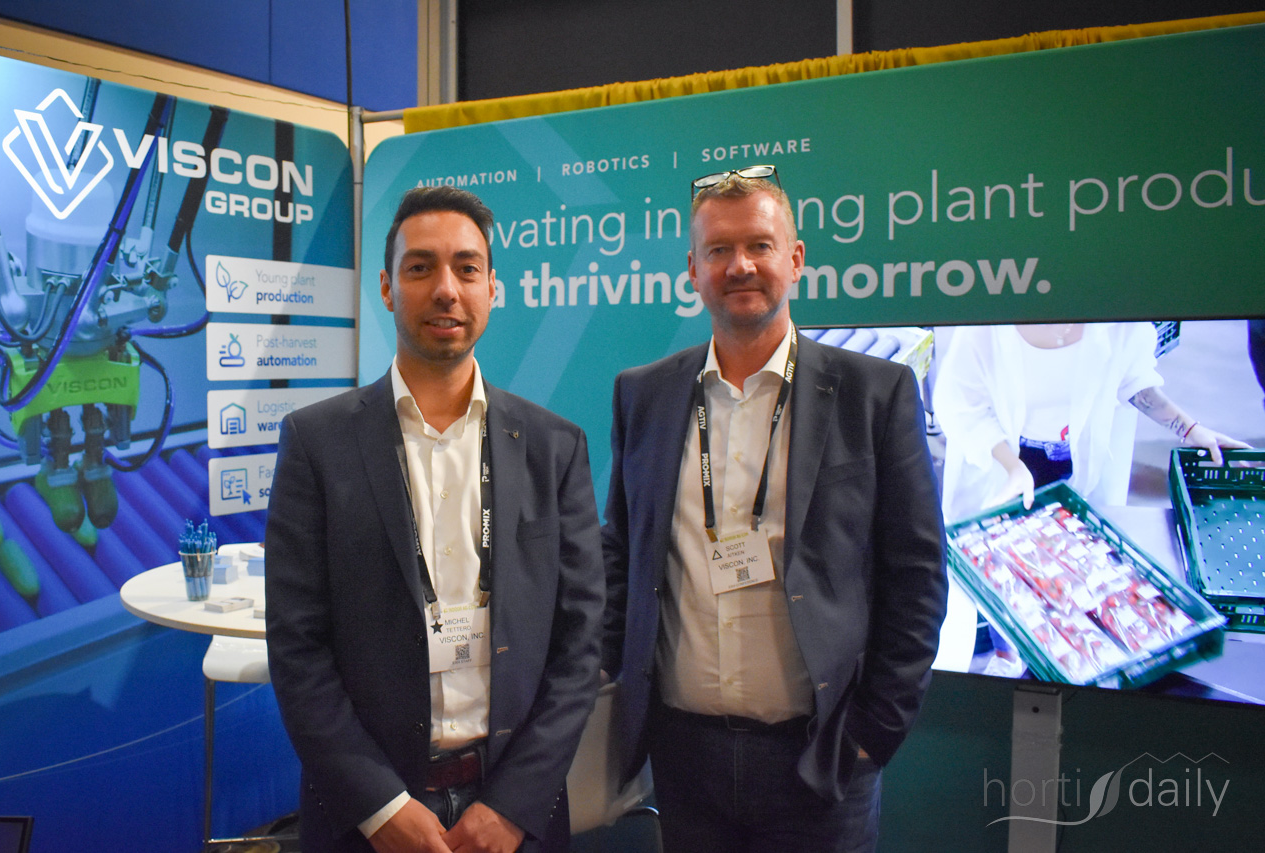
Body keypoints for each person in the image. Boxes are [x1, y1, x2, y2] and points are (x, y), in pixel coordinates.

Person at [600, 166, 948, 852]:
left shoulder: (874, 394)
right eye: (718, 250)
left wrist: (873, 733)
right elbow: (622, 554)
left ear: (795, 259)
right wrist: (612, 681)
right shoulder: (644, 395)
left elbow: (917, 575)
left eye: (759, 245)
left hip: (820, 759)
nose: (740, 266)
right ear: (693, 270)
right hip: (683, 757)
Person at [265, 186, 604, 853]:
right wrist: (380, 806)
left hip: (514, 813)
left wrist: (512, 806)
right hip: (365, 818)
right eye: (420, 268)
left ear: (492, 288)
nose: (446, 289)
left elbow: (579, 643)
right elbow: (297, 646)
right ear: (387, 288)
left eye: (466, 268)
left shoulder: (553, 447)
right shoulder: (316, 443)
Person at [934, 322, 1249, 523]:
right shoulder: (986, 329)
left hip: (1076, 456)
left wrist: (1189, 429)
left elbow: (1133, 380)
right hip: (1002, 460)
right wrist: (1013, 467)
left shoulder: (1119, 321)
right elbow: (961, 405)